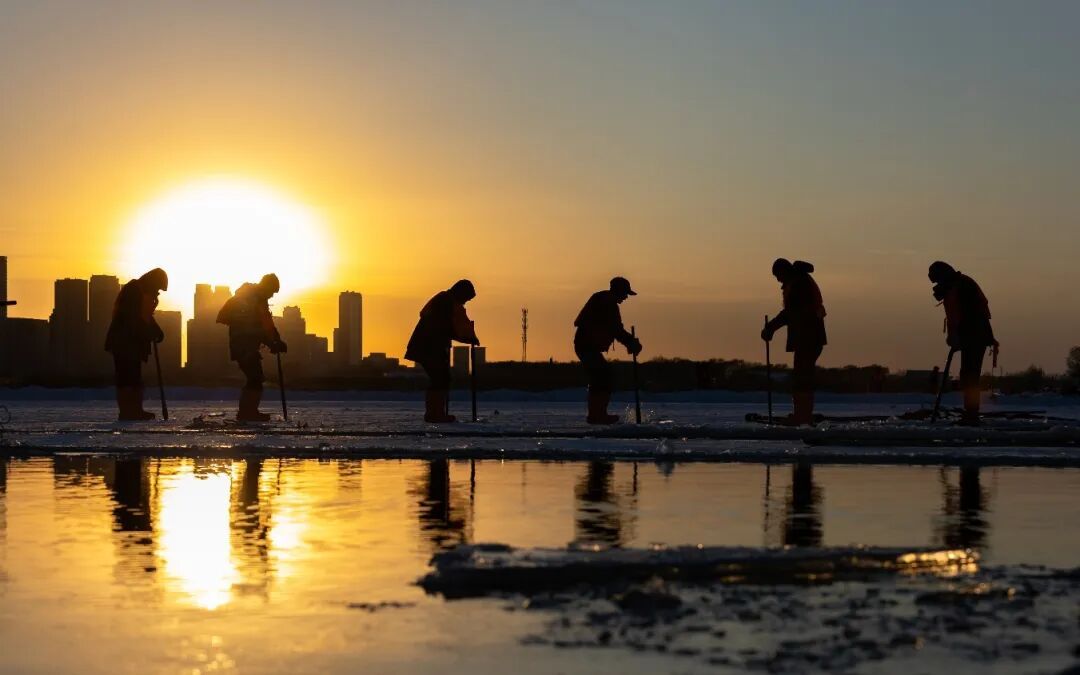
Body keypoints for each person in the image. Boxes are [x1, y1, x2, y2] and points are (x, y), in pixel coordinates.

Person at [928, 261, 998, 424]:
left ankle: (971, 414)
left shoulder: (961, 286)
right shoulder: (956, 285)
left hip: (975, 335)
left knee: (970, 376)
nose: (938, 285)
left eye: (938, 280)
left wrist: (958, 337)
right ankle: (970, 412)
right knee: (968, 375)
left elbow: (963, 316)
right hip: (972, 335)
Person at [762, 259, 827, 425]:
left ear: (785, 271)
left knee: (802, 377)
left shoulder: (799, 284)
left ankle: (802, 416)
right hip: (808, 338)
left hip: (808, 337)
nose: (778, 280)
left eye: (778, 275)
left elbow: (791, 313)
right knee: (802, 376)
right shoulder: (798, 281)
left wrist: (771, 327)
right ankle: (802, 414)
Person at [405, 280, 479, 423]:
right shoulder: (444, 302)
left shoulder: (449, 301)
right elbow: (446, 326)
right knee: (440, 378)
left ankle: (435, 413)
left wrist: (466, 337)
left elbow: (452, 326)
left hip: (431, 346)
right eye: (466, 298)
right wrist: (465, 337)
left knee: (441, 378)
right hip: (428, 347)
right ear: (461, 293)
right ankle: (434, 414)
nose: (465, 302)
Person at [217, 274, 287, 422]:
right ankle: (247, 412)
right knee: (255, 378)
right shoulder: (251, 300)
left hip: (247, 346)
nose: (272, 295)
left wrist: (277, 340)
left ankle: (248, 411)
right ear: (266, 286)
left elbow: (267, 324)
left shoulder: (260, 301)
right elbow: (256, 327)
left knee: (255, 378)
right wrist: (271, 343)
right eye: (272, 291)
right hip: (243, 346)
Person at [573, 277, 642, 424]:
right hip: (586, 345)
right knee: (602, 376)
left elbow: (614, 328)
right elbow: (616, 329)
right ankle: (597, 415)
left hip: (585, 344)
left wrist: (629, 342)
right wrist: (630, 342)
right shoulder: (608, 303)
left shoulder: (604, 299)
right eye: (625, 294)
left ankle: (597, 414)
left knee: (601, 376)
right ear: (619, 291)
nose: (626, 298)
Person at [105, 268, 168, 420]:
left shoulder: (143, 293)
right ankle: (128, 411)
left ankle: (135, 410)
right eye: (158, 287)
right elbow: (133, 319)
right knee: (127, 378)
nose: (157, 291)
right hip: (124, 342)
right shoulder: (134, 291)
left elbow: (146, 317)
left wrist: (156, 330)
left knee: (134, 377)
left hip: (132, 343)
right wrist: (149, 332)